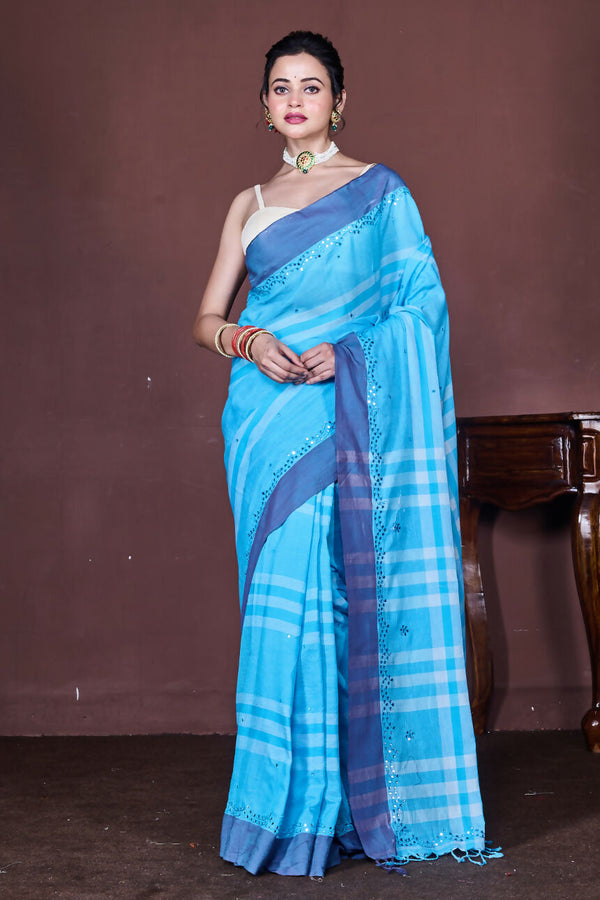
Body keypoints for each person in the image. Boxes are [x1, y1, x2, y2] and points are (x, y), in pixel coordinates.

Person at [193, 30, 500, 878]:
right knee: (282, 608)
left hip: (346, 413)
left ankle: (345, 806)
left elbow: (421, 310)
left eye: (311, 86)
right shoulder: (249, 204)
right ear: (264, 106)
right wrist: (248, 339)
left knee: (338, 600)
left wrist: (353, 352)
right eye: (281, 87)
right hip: (265, 425)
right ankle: (286, 815)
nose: (295, 99)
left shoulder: (380, 193)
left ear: (338, 101)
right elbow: (205, 318)